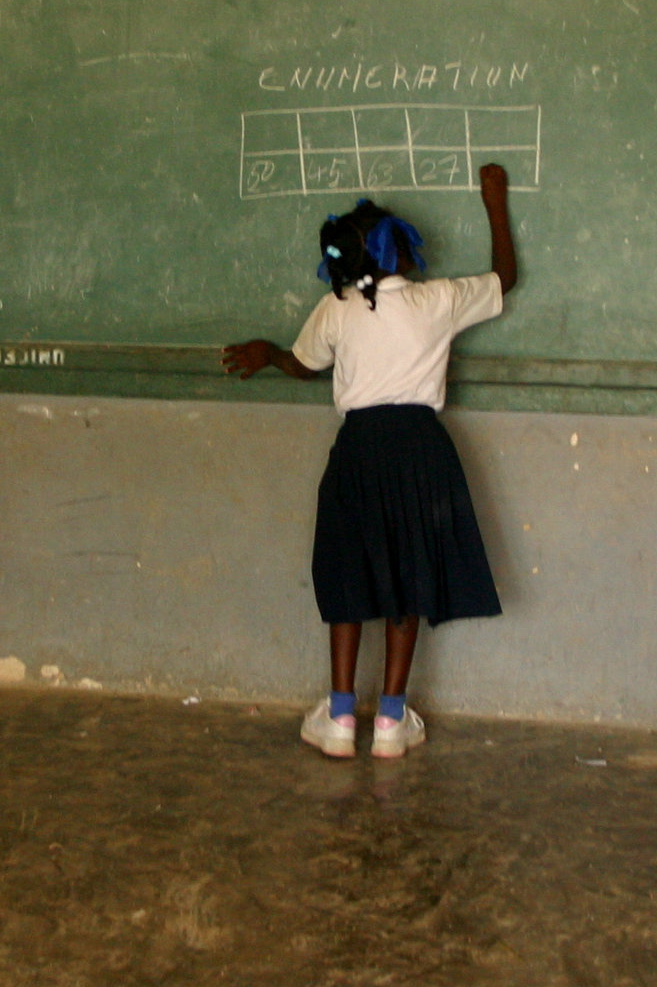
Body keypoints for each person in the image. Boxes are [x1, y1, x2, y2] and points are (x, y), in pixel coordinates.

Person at [222, 164, 518, 760]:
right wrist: (494, 201)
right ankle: (388, 721)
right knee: (408, 573)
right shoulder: (437, 300)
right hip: (418, 448)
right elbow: (505, 278)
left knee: (349, 571)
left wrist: (269, 352)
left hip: (358, 450)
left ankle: (338, 718)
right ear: (397, 253)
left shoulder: (336, 308)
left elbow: (306, 366)